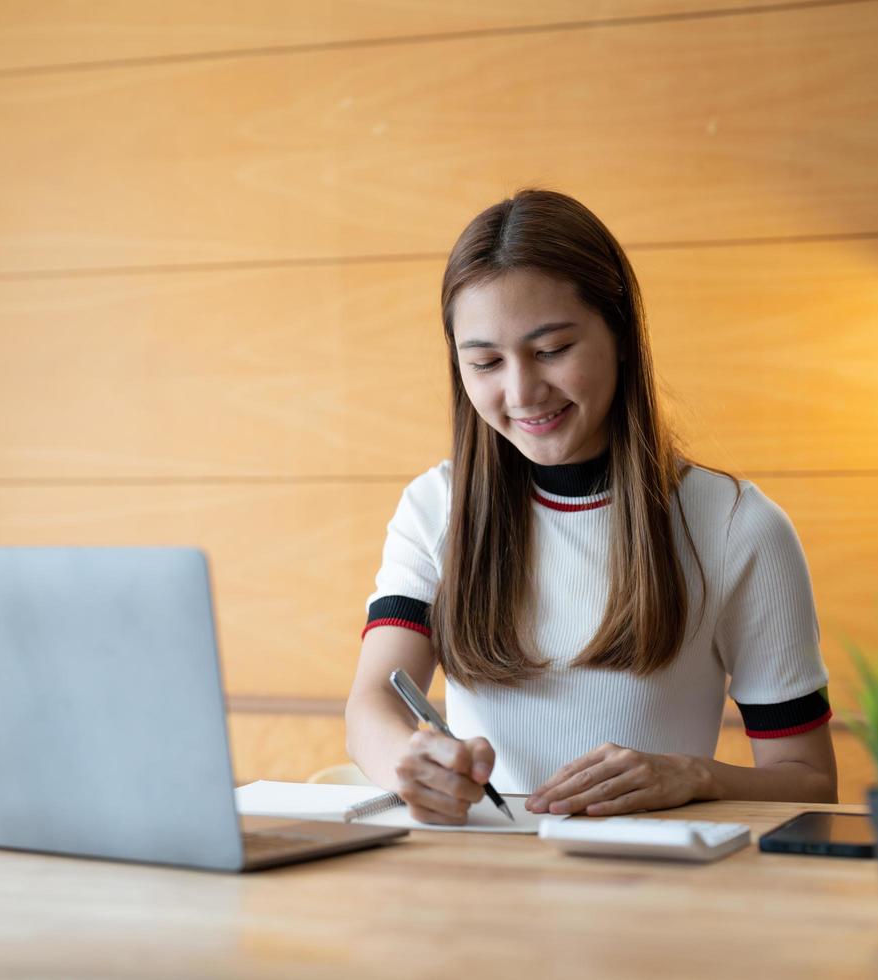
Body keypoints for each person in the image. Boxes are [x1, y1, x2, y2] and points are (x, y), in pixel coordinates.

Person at [344, 189, 838, 825]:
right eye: (487, 361)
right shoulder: (434, 507)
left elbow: (811, 781)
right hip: (484, 881)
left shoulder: (738, 526)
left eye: (552, 350)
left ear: (622, 335)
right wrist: (409, 763)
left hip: (651, 890)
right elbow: (369, 710)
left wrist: (694, 776)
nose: (521, 392)